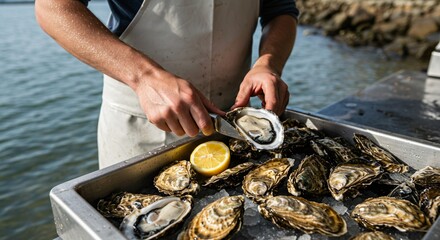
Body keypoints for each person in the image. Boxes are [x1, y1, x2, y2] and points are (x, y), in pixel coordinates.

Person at [35, 0, 299, 168]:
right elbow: (53, 8)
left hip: (233, 122)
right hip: (140, 124)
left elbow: (280, 12)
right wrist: (144, 77)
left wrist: (268, 64)